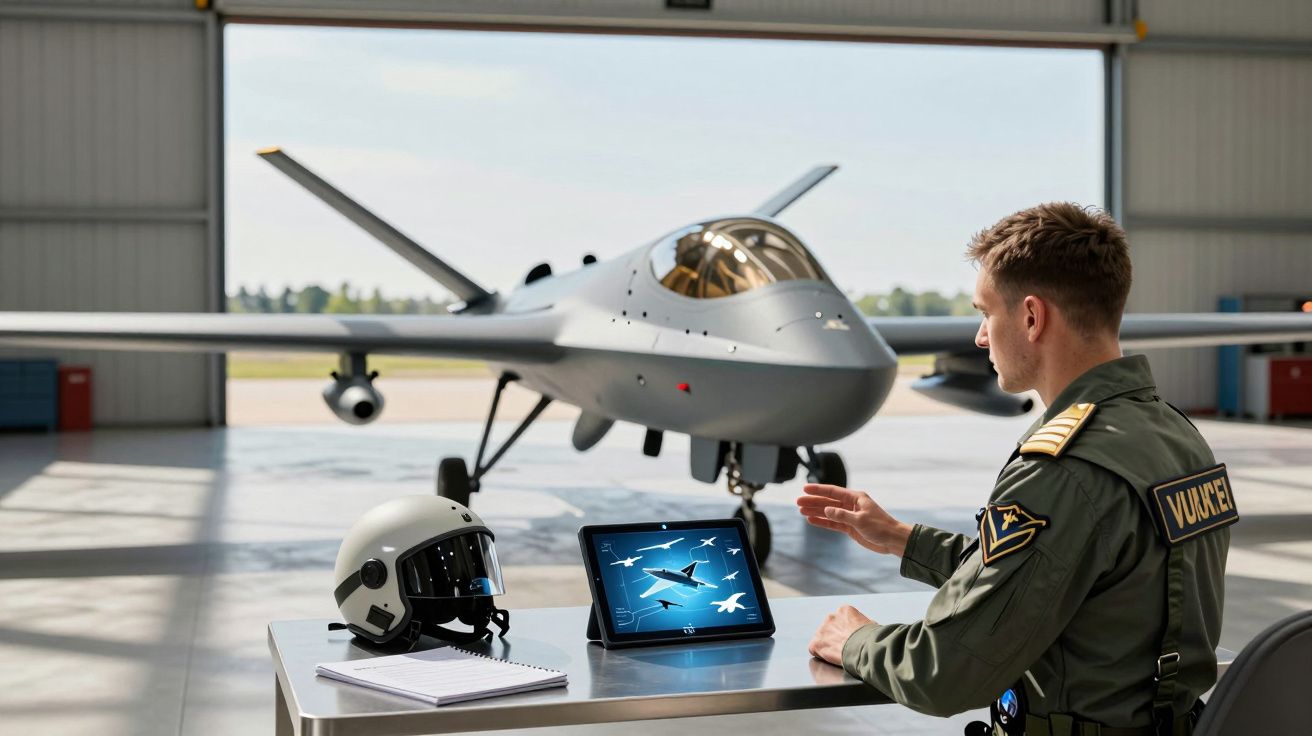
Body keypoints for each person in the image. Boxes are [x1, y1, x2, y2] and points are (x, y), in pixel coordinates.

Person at [800, 203, 1236, 736]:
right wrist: (900, 538)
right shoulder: (1175, 434)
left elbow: (944, 673)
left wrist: (854, 641)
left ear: (1032, 318)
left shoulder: (1065, 468)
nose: (981, 337)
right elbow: (1054, 573)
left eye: (986, 313)